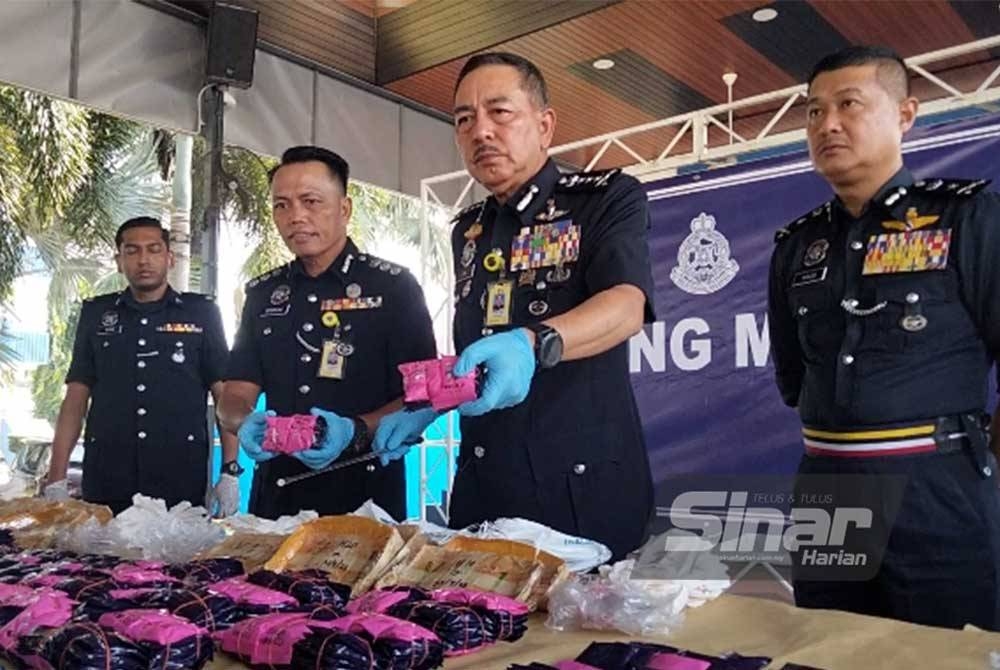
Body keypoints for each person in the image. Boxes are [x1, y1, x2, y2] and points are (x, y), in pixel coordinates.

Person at [373, 52, 656, 560]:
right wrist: (427, 406)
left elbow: (626, 305)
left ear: (544, 126)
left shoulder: (604, 199)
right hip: (485, 486)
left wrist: (534, 342)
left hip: (580, 491)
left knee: (580, 638)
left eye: (499, 113)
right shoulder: (468, 228)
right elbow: (477, 355)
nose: (481, 131)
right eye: (464, 119)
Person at [768, 45, 1000, 630]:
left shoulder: (966, 219)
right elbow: (794, 377)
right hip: (828, 491)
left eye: (849, 104)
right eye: (814, 111)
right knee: (829, 646)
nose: (828, 124)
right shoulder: (797, 246)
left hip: (938, 489)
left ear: (905, 114)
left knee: (947, 653)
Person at [218, 146, 436, 521]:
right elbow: (235, 393)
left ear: (345, 209)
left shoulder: (392, 288)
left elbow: (422, 395)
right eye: (282, 205)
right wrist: (244, 421)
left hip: (366, 494)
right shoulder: (263, 294)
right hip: (277, 495)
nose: (296, 216)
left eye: (311, 201)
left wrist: (352, 431)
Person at [44, 217, 239, 516]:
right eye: (132, 251)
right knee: (100, 562)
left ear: (169, 258)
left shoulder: (201, 313)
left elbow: (224, 396)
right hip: (107, 479)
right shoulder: (97, 314)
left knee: (179, 564)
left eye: (153, 249)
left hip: (178, 480)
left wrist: (229, 472)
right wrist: (56, 477)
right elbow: (76, 397)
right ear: (119, 261)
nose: (143, 260)